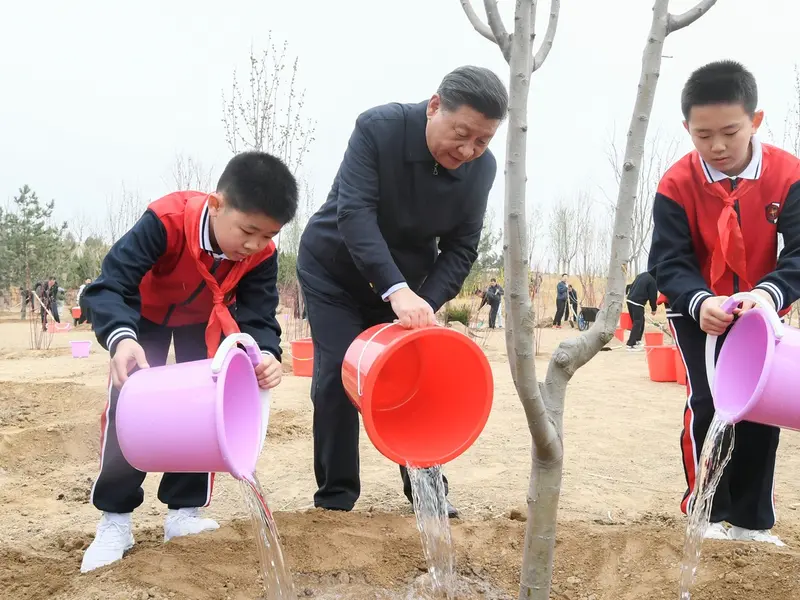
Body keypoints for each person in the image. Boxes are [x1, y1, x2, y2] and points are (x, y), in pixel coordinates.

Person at [296, 65, 507, 518]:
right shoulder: (379, 129)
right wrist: (395, 290)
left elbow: (462, 246)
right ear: (434, 107)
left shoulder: (480, 170)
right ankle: (335, 501)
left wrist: (424, 301)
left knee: (416, 376)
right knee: (337, 376)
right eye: (462, 133)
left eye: (482, 141)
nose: (468, 150)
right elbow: (355, 214)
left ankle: (429, 495)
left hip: (412, 286)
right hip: (335, 269)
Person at [79, 151, 298, 572]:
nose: (253, 245)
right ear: (217, 205)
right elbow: (112, 283)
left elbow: (259, 312)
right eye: (248, 231)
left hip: (207, 323)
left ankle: (183, 512)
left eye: (267, 236)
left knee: (204, 413)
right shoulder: (166, 220)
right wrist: (121, 338)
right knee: (131, 410)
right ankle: (115, 520)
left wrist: (266, 353)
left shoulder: (261, 255)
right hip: (142, 316)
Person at [649, 60, 800, 546]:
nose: (717, 146)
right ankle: (707, 511)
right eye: (703, 134)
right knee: (710, 401)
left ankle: (753, 523)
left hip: (763, 307)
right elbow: (667, 260)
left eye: (730, 132)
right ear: (687, 129)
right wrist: (698, 302)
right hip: (698, 311)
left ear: (755, 121)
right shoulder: (676, 183)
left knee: (762, 405)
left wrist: (767, 293)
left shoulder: (789, 175)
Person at [624, 271, 658, 351]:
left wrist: (627, 294)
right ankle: (630, 344)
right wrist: (654, 309)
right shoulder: (653, 280)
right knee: (638, 322)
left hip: (630, 300)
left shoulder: (642, 275)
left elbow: (629, 286)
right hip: (637, 303)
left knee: (640, 321)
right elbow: (653, 296)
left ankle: (637, 341)